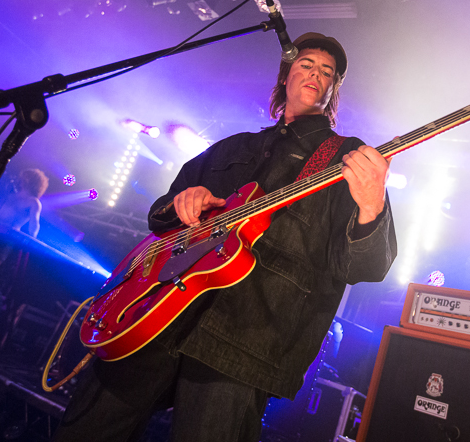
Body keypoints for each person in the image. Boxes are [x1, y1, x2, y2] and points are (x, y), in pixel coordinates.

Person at [54, 32, 396, 442]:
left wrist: (372, 206)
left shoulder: (347, 158)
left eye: (327, 72)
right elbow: (159, 216)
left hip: (244, 341)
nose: (316, 75)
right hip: (155, 314)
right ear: (285, 75)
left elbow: (367, 266)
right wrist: (182, 202)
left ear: (333, 89)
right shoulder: (234, 147)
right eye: (306, 64)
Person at [0, 168, 48, 286]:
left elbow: (34, 224)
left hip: (5, 239)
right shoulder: (11, 195)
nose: (22, 179)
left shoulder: (34, 202)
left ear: (33, 181)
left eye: (26, 177)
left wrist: (32, 241)